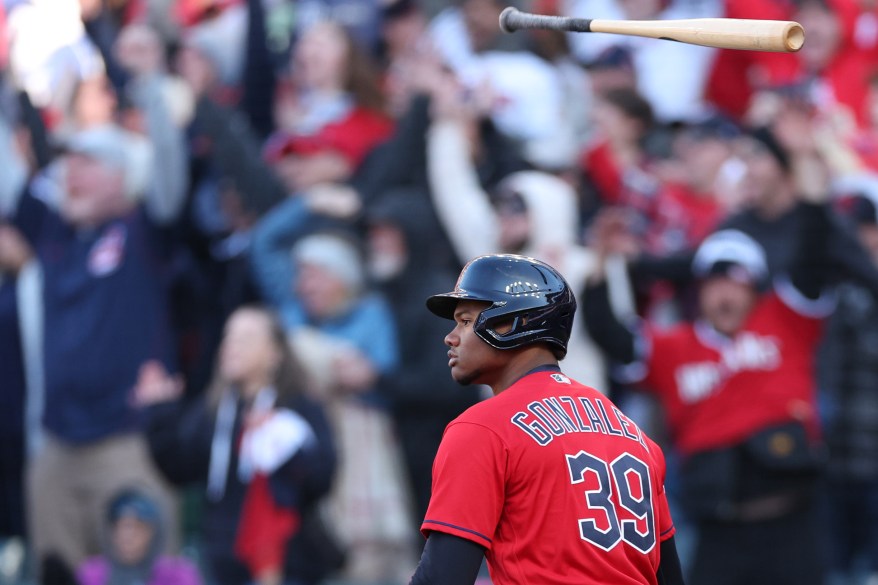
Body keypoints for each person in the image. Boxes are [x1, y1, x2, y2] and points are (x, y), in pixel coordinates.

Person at [583, 172, 836, 583]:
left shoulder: (786, 319)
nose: (724, 295)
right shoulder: (671, 346)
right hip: (719, 531)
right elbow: (608, 333)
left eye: (736, 284)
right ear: (698, 291)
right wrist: (602, 261)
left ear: (756, 290)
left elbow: (813, 255)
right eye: (713, 284)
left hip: (793, 522)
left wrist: (807, 179)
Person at [409, 253, 684, 585]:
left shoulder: (483, 427)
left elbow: (442, 577)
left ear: (509, 323)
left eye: (465, 321)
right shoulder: (632, 433)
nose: (450, 337)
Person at [137, 305, 337, 585]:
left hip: (285, 565)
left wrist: (280, 440)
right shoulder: (214, 410)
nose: (232, 347)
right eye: (228, 338)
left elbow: (321, 480)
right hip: (222, 563)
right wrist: (159, 413)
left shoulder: (299, 406)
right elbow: (178, 469)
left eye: (245, 339)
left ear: (274, 353)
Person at [77, 488, 203, 585]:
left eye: (138, 527)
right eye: (119, 526)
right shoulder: (90, 575)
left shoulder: (178, 576)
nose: (127, 536)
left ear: (156, 533)